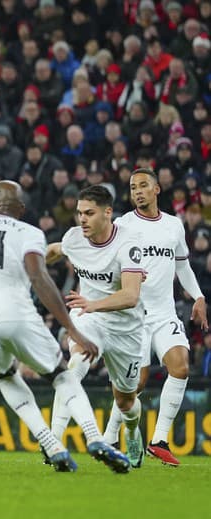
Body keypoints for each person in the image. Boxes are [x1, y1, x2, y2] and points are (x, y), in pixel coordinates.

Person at [0, 181, 129, 473]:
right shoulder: (28, 232)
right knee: (61, 376)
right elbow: (39, 277)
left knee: (6, 377)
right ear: (20, 208)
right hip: (14, 314)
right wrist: (72, 328)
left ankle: (51, 444)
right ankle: (94, 439)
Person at [96, 169, 207, 466]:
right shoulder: (122, 226)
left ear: (157, 189)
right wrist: (124, 275)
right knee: (136, 386)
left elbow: (182, 266)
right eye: (133, 188)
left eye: (143, 186)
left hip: (164, 313)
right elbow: (107, 265)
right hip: (133, 318)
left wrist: (198, 297)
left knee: (181, 367)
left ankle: (158, 440)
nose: (138, 192)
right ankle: (109, 437)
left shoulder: (173, 226)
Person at [45, 185, 147, 469]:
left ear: (108, 212)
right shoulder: (75, 238)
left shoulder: (129, 244)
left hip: (126, 328)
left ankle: (132, 431)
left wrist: (93, 303)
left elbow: (131, 296)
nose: (83, 219)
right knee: (75, 364)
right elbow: (55, 250)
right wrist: (30, 263)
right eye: (79, 213)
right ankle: (54, 442)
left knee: (126, 401)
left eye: (89, 213)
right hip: (90, 319)